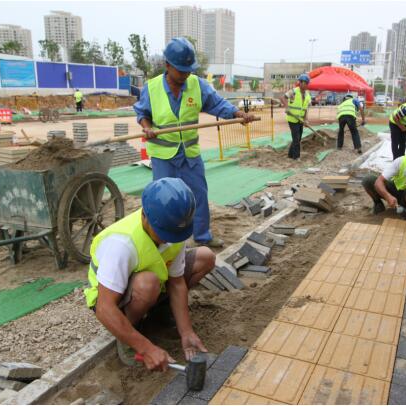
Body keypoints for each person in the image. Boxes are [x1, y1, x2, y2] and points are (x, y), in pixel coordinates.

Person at [133, 37, 254, 248]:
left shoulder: (197, 85)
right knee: (162, 199)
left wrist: (237, 113)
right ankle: (161, 241)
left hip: (190, 154)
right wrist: (146, 127)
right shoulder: (151, 88)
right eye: (181, 70)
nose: (186, 74)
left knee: (199, 194)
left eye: (188, 70)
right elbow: (142, 112)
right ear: (167, 65)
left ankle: (202, 236)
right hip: (164, 156)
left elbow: (217, 104)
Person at [84, 177, 215, 370]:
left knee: (206, 256)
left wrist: (186, 331)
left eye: (173, 234)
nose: (168, 240)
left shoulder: (173, 230)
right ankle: (129, 333)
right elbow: (104, 307)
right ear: (145, 216)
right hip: (112, 298)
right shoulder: (121, 244)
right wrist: (145, 348)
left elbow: (177, 283)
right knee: (147, 283)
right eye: (163, 233)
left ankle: (159, 311)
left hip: (155, 281)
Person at [280, 74, 312, 160]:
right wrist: (287, 107)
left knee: (298, 138)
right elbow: (283, 98)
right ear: (300, 83)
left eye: (306, 83)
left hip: (300, 120)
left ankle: (290, 154)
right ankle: (296, 157)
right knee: (296, 138)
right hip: (292, 119)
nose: (304, 84)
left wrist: (306, 120)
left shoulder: (308, 95)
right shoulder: (293, 91)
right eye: (302, 82)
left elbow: (305, 109)